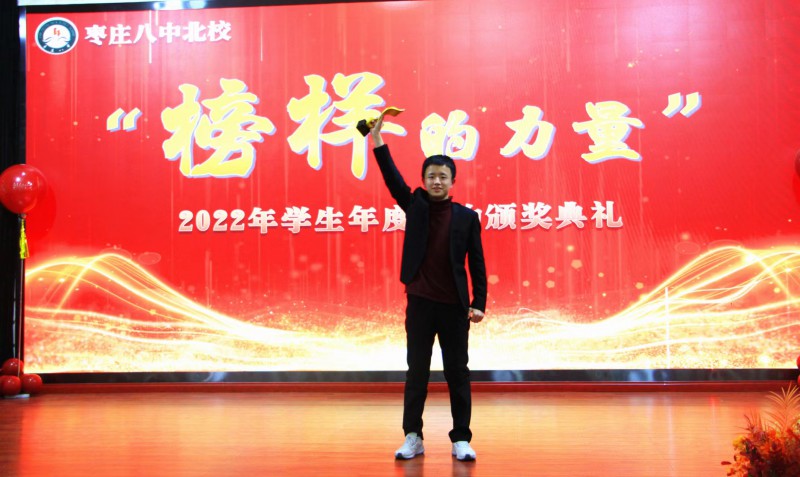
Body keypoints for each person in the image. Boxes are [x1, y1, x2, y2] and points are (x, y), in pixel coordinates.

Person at [368, 115, 487, 462]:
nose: (437, 181)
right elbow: (392, 177)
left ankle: (461, 439)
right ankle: (413, 436)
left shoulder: (466, 217)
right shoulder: (415, 206)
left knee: (457, 373)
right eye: (431, 176)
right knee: (416, 372)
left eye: (443, 176)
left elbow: (477, 263)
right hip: (420, 304)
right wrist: (377, 141)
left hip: (454, 307)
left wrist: (479, 301)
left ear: (452, 181)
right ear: (424, 180)